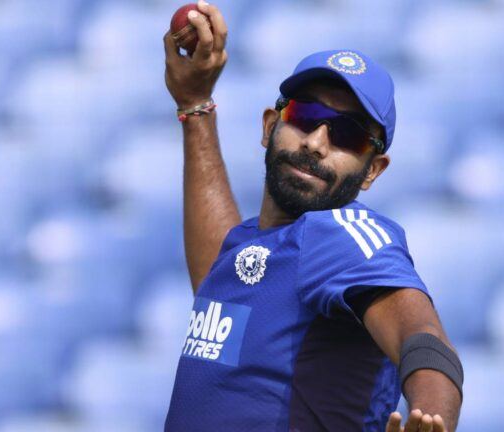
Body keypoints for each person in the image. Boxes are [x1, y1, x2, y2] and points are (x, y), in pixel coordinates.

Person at [162, 2, 463, 431]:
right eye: (306, 116)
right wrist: (195, 106)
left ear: (372, 171)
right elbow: (222, 274)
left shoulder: (344, 236)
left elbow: (424, 337)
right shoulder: (254, 246)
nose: (317, 143)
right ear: (270, 126)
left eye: (348, 134)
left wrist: (431, 417)